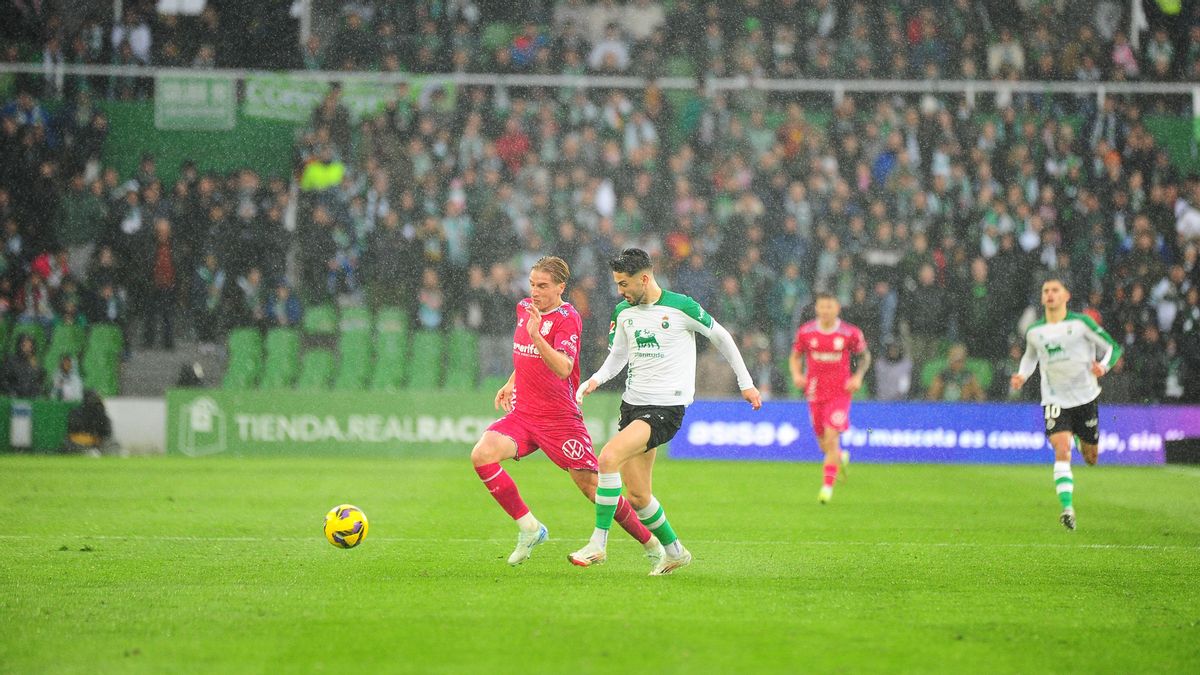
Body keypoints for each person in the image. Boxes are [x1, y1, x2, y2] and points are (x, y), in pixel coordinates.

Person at [571, 248, 761, 575]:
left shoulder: (681, 306)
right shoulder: (624, 311)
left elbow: (722, 337)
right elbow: (618, 355)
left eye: (624, 283)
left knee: (607, 458)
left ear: (644, 278)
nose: (620, 291)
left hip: (665, 408)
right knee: (638, 495)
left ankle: (598, 544)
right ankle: (675, 552)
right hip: (633, 406)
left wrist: (746, 383)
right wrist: (596, 379)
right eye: (617, 284)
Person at [470, 256, 662, 566]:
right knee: (482, 454)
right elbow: (525, 357)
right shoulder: (524, 309)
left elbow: (563, 367)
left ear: (561, 287)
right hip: (523, 415)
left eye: (543, 286)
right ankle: (530, 528)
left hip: (560, 420)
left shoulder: (567, 318)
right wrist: (511, 382)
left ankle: (651, 543)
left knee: (593, 489)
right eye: (532, 284)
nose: (535, 292)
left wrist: (536, 335)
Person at [1011, 277, 1123, 532]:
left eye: (1055, 290)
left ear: (1066, 296)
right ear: (1042, 298)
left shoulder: (1081, 323)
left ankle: (1079, 438)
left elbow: (1113, 347)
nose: (1049, 294)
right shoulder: (1035, 331)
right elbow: (1030, 359)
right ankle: (1067, 509)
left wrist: (1103, 366)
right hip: (1054, 399)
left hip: (1085, 397)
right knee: (1062, 448)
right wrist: (1022, 375)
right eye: (1045, 291)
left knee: (1091, 457)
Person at [788, 292, 872, 505]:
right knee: (825, 446)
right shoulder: (806, 332)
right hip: (815, 393)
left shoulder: (849, 333)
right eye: (822, 307)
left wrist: (858, 377)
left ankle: (827, 487)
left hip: (840, 393)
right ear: (817, 308)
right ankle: (840, 456)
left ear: (837, 308)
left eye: (830, 307)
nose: (826, 310)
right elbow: (795, 356)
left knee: (832, 437)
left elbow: (864, 357)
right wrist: (797, 375)